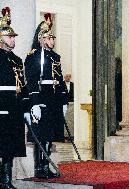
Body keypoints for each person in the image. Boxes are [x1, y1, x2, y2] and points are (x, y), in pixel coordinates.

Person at [24, 13, 67, 178]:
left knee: (50, 134)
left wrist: (64, 100)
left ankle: (46, 165)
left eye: (53, 37)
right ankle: (39, 167)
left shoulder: (55, 57)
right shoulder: (33, 56)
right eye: (49, 37)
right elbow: (32, 80)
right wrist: (34, 102)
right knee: (41, 135)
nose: (52, 40)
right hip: (41, 98)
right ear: (41, 39)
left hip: (54, 99)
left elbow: (60, 79)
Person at [0, 7, 26, 189]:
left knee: (11, 144)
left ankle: (6, 180)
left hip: (15, 105)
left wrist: (27, 106)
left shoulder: (17, 59)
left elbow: (22, 85)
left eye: (14, 37)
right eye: (10, 37)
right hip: (1, 104)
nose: (13, 39)